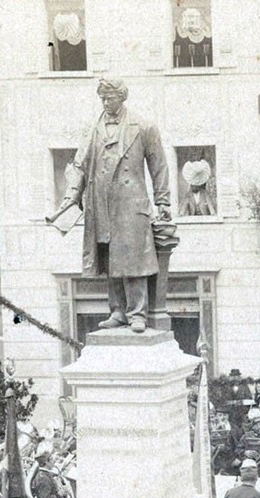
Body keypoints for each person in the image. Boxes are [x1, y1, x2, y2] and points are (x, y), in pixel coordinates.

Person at [48, 78, 171, 333]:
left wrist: (163, 201)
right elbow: (80, 165)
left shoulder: (144, 126)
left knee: (132, 258)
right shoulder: (93, 129)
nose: (105, 102)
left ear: (122, 97)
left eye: (110, 98)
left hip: (130, 203)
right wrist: (71, 197)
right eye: (102, 98)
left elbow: (158, 165)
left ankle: (137, 313)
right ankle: (117, 310)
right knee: (109, 257)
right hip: (100, 202)